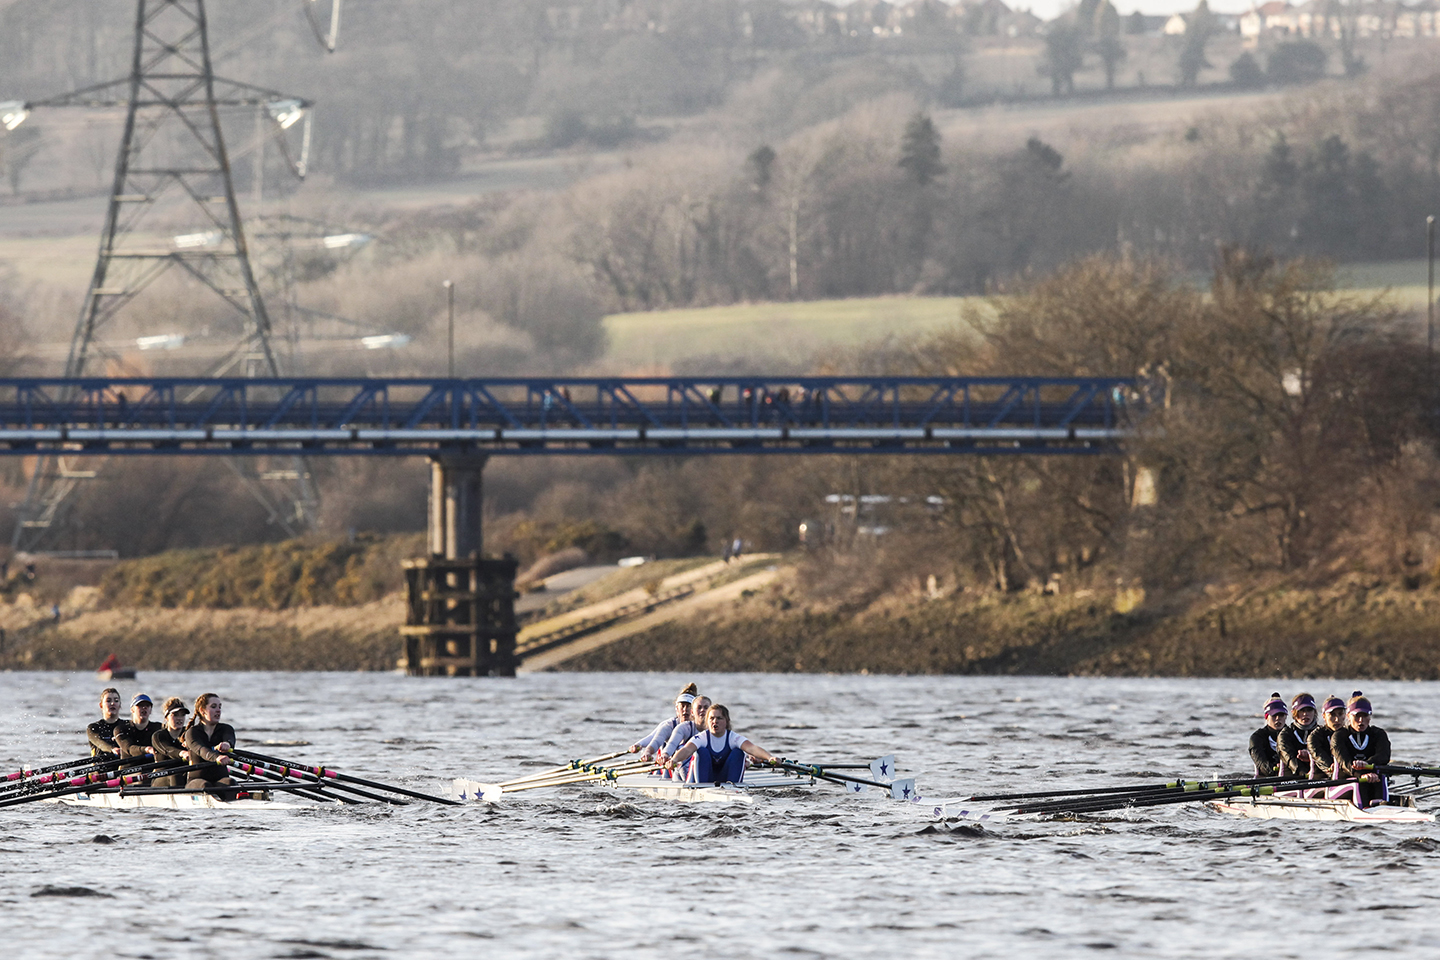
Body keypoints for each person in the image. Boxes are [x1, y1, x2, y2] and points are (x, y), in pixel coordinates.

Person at [665, 703, 776, 785]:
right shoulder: (701, 737)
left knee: (739, 753)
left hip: (725, 780)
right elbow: (686, 750)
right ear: (707, 721)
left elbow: (752, 748)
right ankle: (701, 789)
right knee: (701, 752)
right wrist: (674, 760)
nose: (715, 721)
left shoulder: (733, 738)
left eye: (719, 718)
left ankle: (734, 788)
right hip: (702, 780)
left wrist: (770, 757)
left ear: (726, 721)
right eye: (712, 718)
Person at [1331, 691, 1392, 808]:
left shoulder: (1378, 734)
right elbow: (1344, 762)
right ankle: (1364, 810)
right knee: (1359, 782)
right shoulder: (1339, 736)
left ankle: (1383, 809)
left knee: (1381, 777)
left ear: (1370, 716)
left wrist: (1367, 764)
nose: (1361, 720)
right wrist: (1360, 774)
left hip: (1373, 778)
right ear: (1348, 716)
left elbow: (1384, 756)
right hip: (1345, 781)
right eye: (1356, 716)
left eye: (1365, 716)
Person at [182, 692, 236, 794]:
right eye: (213, 707)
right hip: (197, 780)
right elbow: (201, 750)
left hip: (221, 779)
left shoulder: (226, 729)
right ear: (202, 711)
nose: (218, 710)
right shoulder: (192, 732)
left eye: (220, 707)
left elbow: (230, 739)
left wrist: (227, 744)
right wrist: (217, 757)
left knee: (230, 782)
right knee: (205, 785)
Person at [628, 684, 696, 761]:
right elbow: (655, 739)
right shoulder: (669, 725)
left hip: (689, 763)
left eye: (689, 706)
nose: (685, 709)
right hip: (669, 762)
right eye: (682, 706)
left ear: (694, 710)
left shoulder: (700, 726)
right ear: (677, 708)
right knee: (664, 745)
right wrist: (644, 749)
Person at [659, 695, 711, 774]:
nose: (702, 710)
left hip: (708, 771)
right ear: (692, 712)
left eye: (706, 707)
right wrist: (665, 754)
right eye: (699, 707)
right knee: (693, 751)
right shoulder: (683, 727)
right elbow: (672, 744)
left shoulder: (716, 729)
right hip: (682, 771)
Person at [150, 697, 191, 789]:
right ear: (166, 717)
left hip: (184, 774)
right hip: (161, 777)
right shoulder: (158, 736)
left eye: (182, 715)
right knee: (176, 775)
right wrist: (182, 753)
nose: (179, 718)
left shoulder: (189, 734)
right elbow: (168, 750)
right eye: (175, 715)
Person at [114, 694, 162, 768]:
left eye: (147, 706)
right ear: (132, 710)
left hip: (150, 769)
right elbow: (129, 749)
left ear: (150, 710)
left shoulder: (158, 728)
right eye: (140, 705)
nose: (144, 708)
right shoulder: (121, 729)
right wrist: (147, 749)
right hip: (129, 771)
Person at [1276, 692, 1318, 778]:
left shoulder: (1321, 733)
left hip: (1318, 774)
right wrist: (1304, 773)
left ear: (1314, 712)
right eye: (1301, 710)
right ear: (1294, 713)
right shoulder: (1285, 735)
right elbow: (1289, 758)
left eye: (1309, 710)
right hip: (1293, 777)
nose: (1305, 714)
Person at [1306, 695, 1347, 779]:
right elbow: (1320, 758)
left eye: (1340, 714)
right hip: (1320, 780)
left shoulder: (1350, 734)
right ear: (1324, 716)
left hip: (1345, 776)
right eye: (1332, 715)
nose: (1337, 719)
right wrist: (1330, 767)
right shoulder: (1315, 736)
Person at [1248, 692, 1287, 777]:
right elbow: (1262, 764)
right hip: (1268, 778)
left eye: (1281, 715)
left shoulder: (1292, 734)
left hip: (1291, 775)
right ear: (1266, 717)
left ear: (1286, 717)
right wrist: (1275, 770)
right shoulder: (1257, 737)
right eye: (1274, 715)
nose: (1278, 719)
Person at [86, 687, 124, 758]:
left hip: (123, 766)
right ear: (101, 705)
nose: (112, 703)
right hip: (101, 766)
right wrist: (112, 749)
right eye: (108, 701)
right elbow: (100, 743)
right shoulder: (93, 727)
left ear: (119, 705)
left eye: (116, 701)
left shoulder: (126, 726)